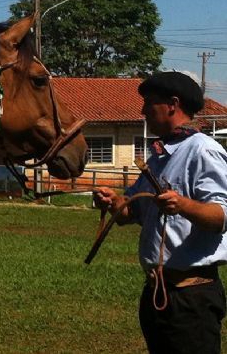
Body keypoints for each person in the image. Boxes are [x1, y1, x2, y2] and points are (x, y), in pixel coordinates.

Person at [94, 71, 227, 354]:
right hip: (158, 293)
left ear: (172, 104)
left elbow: (222, 217)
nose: (143, 111)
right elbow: (133, 213)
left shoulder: (203, 151)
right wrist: (115, 202)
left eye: (149, 102)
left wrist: (184, 205)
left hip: (191, 298)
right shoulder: (160, 156)